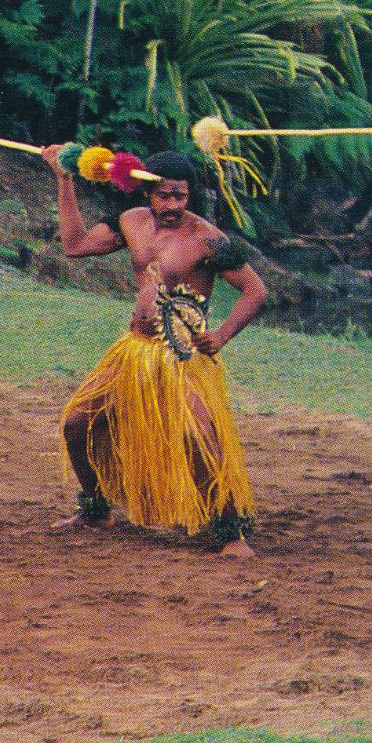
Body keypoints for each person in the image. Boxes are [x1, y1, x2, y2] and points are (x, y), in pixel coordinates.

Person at [43, 146, 267, 556]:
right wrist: (64, 178)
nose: (172, 205)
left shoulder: (208, 239)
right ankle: (95, 509)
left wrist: (222, 335)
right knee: (78, 423)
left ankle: (230, 532)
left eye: (180, 196)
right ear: (147, 192)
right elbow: (74, 245)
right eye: (164, 195)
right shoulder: (131, 222)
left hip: (183, 355)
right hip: (134, 348)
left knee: (198, 435)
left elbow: (256, 289)